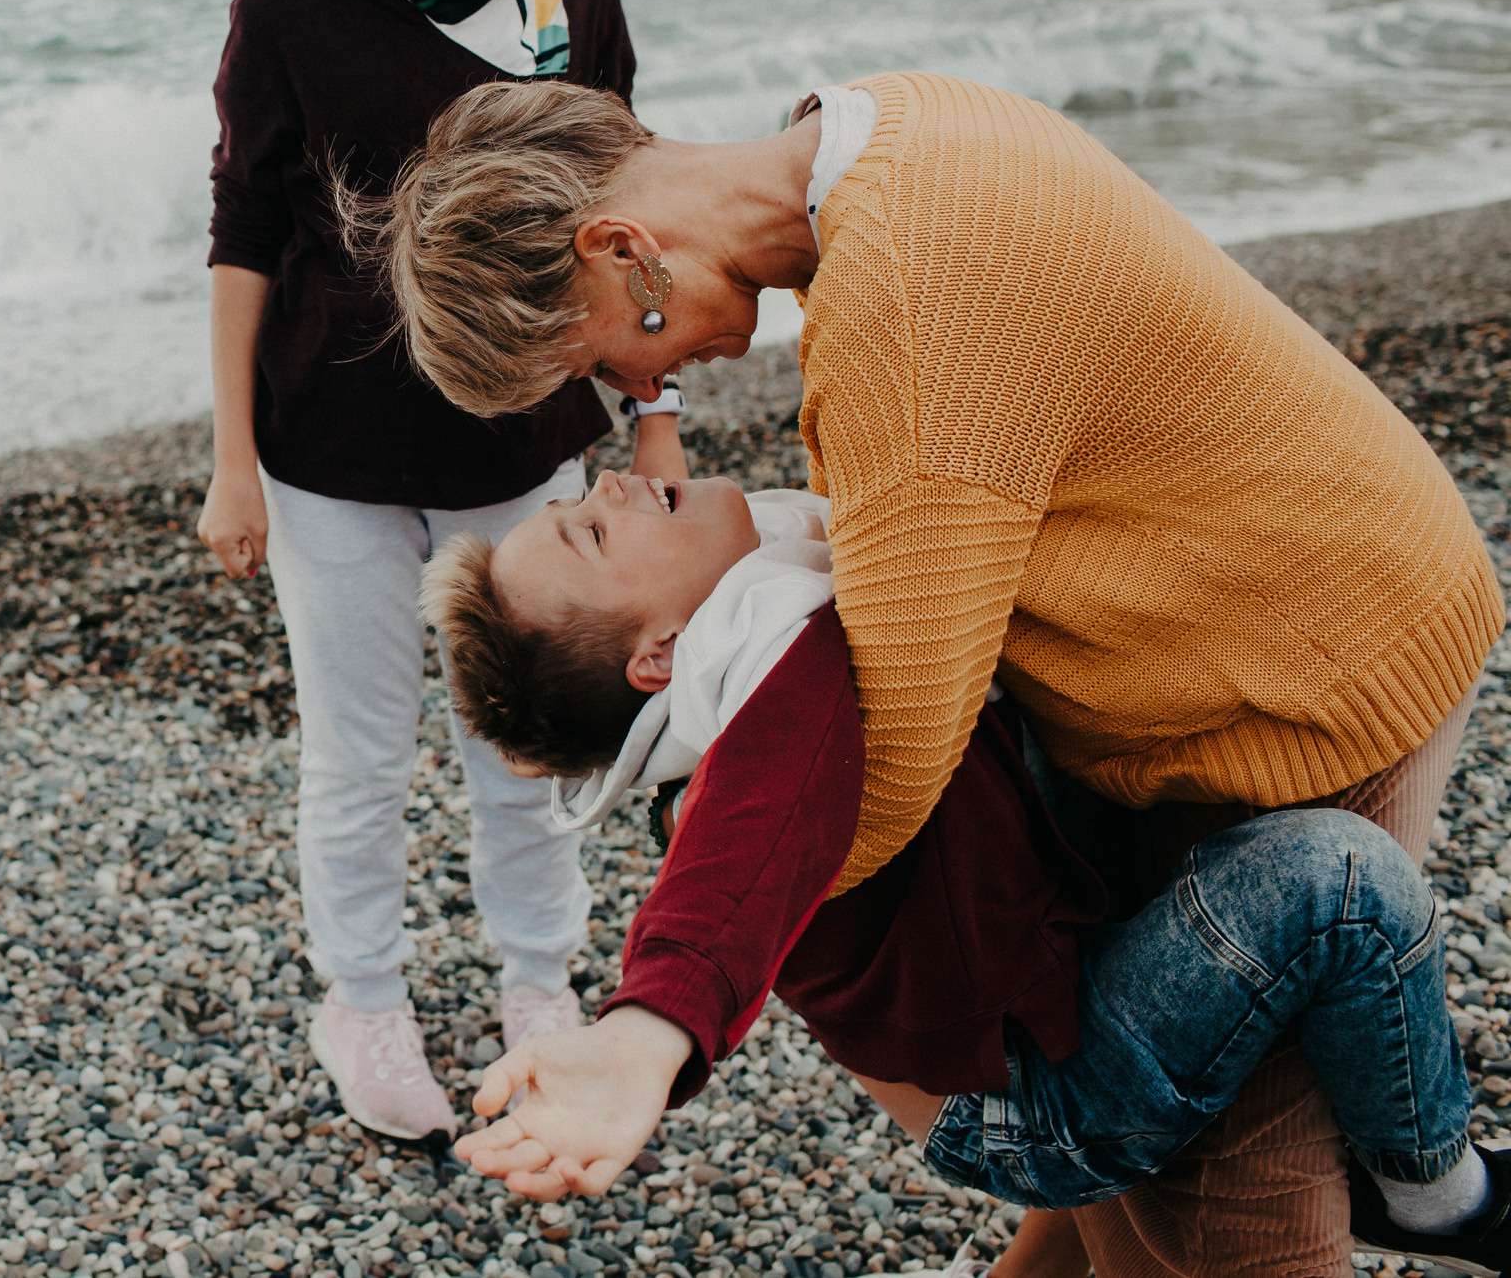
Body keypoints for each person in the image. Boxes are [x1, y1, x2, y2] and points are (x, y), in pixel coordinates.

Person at [360, 71, 1506, 1272]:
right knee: (1142, 1174)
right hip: (1285, 617)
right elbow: (809, 742)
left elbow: (864, 755)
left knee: (1237, 1218)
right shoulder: (884, 135)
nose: (637, 398)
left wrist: (689, 993)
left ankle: (1433, 1199)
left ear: (619, 252)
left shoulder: (905, 313)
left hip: (1303, 670)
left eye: (591, 362)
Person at [423, 468, 1511, 1275]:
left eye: (580, 500)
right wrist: (650, 1025)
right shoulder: (765, 689)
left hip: (1016, 1034)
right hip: (1040, 1100)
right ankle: (1438, 1198)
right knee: (1337, 883)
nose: (609, 485)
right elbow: (745, 836)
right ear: (660, 656)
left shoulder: (746, 609)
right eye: (590, 532)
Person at [196, 0, 669, 1141]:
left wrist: (652, 412)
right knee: (356, 750)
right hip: (325, 453)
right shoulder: (284, 10)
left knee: (519, 740)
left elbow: (631, 216)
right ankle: (362, 997)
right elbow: (241, 236)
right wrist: (230, 462)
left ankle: (540, 980)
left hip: (520, 440)